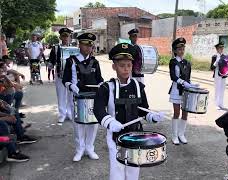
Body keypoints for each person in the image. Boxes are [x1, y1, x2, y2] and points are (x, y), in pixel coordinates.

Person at [93, 43, 165, 180]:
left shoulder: (138, 86)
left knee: (133, 171)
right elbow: (98, 109)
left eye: (129, 65)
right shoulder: (106, 88)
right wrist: (109, 122)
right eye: (122, 65)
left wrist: (152, 116)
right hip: (115, 137)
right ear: (114, 66)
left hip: (135, 136)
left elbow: (143, 110)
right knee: (117, 170)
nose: (126, 69)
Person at [62, 32, 104, 162]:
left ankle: (90, 148)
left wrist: (102, 85)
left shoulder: (95, 62)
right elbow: (65, 80)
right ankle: (80, 149)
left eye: (90, 46)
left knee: (93, 124)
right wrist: (71, 86)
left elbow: (99, 79)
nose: (88, 48)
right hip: (77, 97)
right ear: (79, 45)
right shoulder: (71, 61)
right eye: (85, 45)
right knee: (78, 124)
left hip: (93, 97)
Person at [169, 37, 197, 145]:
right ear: (175, 50)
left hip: (185, 91)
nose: (181, 51)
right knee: (176, 113)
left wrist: (191, 84)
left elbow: (188, 77)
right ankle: (175, 135)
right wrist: (183, 82)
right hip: (176, 90)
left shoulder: (187, 62)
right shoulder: (173, 62)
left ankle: (181, 134)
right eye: (179, 49)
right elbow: (173, 77)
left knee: (185, 114)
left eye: (183, 48)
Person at [48, 28, 74, 123]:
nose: (65, 38)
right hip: (60, 75)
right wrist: (50, 67)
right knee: (61, 95)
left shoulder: (73, 48)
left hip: (72, 76)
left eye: (67, 36)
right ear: (60, 37)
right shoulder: (55, 48)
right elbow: (51, 61)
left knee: (71, 95)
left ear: (69, 37)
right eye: (63, 36)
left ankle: (70, 113)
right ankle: (62, 114)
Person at [212, 42, 227, 110]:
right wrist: (216, 62)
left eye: (222, 48)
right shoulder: (214, 57)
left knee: (222, 89)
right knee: (217, 89)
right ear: (217, 49)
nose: (221, 49)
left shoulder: (224, 56)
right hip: (217, 74)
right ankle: (216, 104)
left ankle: (221, 103)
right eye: (220, 48)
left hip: (223, 74)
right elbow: (211, 68)